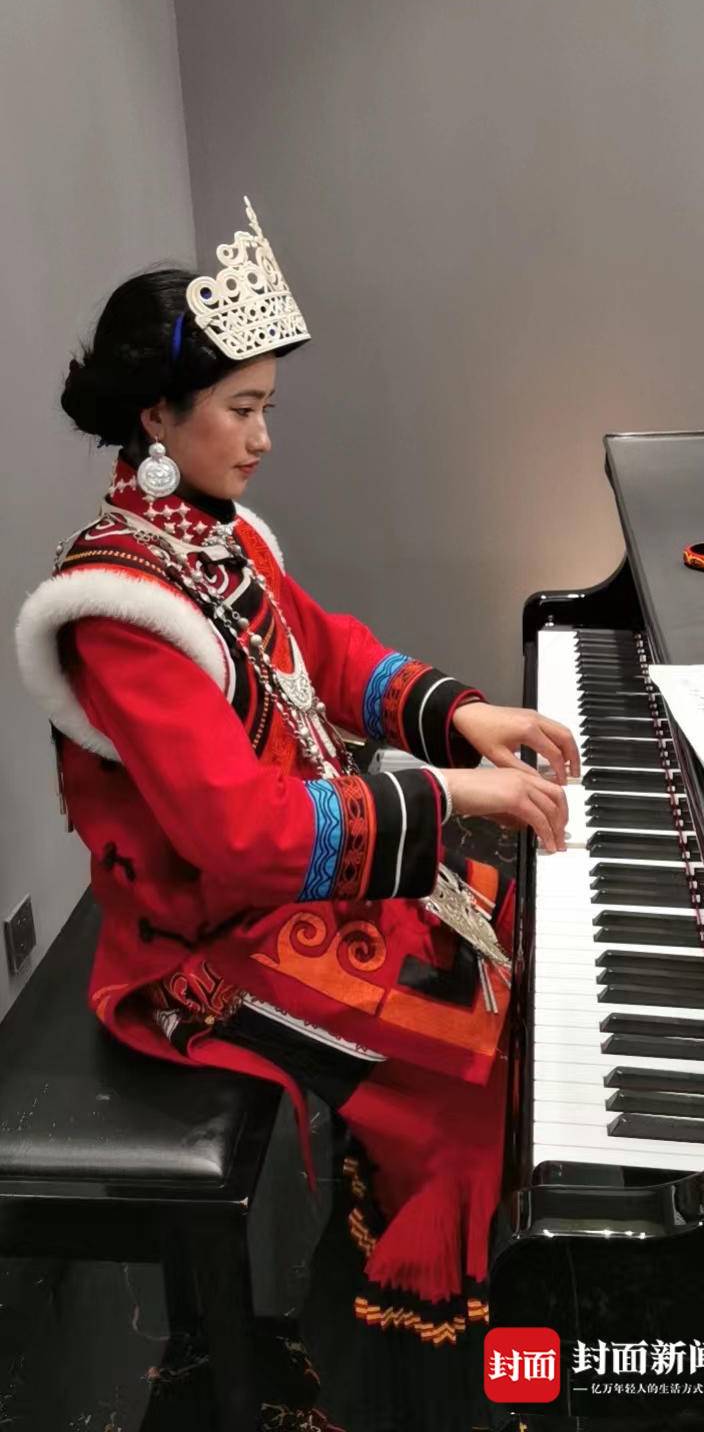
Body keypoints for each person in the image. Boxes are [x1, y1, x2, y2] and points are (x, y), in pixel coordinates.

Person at [16, 198, 578, 1432]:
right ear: (158, 417)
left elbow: (324, 649)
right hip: (202, 938)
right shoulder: (118, 607)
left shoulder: (212, 538)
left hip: (287, 878)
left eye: (268, 404)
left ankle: (435, 1311)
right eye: (244, 407)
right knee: (469, 1069)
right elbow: (239, 833)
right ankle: (413, 1366)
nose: (266, 436)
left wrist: (462, 716)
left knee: (503, 953)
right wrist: (447, 792)